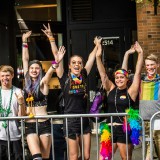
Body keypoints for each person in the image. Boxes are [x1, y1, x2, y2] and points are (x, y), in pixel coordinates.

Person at [48, 33, 101, 159]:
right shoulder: (64, 77)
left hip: (84, 119)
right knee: (74, 156)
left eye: (79, 63)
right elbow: (56, 55)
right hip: (70, 120)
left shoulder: (83, 75)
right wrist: (52, 39)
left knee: (87, 156)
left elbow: (91, 58)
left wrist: (96, 45)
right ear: (69, 66)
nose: (77, 65)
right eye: (74, 62)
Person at [96, 41, 143, 160]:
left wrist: (140, 53)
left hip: (124, 129)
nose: (119, 79)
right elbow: (103, 74)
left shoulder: (131, 91)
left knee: (125, 158)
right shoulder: (111, 88)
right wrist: (98, 57)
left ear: (127, 79)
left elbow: (137, 73)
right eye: (117, 77)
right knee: (103, 158)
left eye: (122, 77)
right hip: (109, 129)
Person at [22, 29, 63, 160]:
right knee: (37, 157)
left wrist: (56, 62)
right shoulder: (26, 81)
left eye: (37, 68)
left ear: (40, 70)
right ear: (28, 70)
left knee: (45, 157)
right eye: (32, 68)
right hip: (29, 124)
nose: (34, 70)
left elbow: (51, 71)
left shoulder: (43, 83)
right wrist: (24, 41)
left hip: (44, 123)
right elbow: (25, 58)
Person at [122, 52, 160, 160]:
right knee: (148, 155)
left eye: (152, 64)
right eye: (147, 65)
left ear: (157, 65)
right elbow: (123, 73)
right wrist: (127, 54)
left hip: (158, 122)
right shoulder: (141, 79)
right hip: (144, 123)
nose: (150, 67)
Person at [0, 65, 26, 160]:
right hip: (0, 136)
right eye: (2, 76)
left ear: (12, 75)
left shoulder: (19, 92)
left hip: (15, 136)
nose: (5, 78)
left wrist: (21, 102)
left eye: (7, 75)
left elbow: (22, 116)